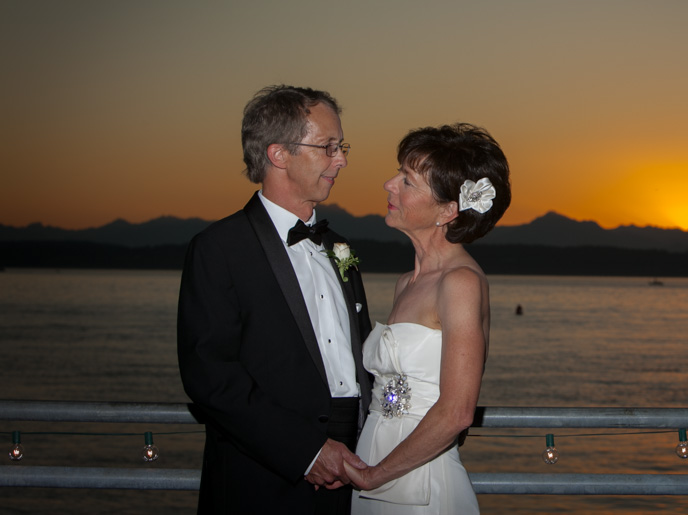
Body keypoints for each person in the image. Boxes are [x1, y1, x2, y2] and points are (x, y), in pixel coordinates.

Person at [177, 85, 374, 514]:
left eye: (341, 147)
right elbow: (210, 375)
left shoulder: (339, 248)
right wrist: (306, 451)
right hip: (264, 482)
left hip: (355, 476)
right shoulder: (220, 248)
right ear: (279, 154)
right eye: (329, 147)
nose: (341, 160)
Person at [346, 123, 511, 514]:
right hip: (372, 462)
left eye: (407, 181)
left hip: (416, 481)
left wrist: (375, 476)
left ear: (447, 211)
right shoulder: (406, 282)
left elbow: (457, 412)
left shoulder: (461, 283)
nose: (389, 185)